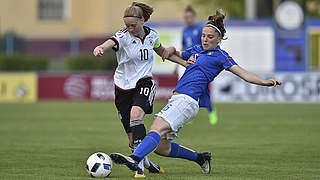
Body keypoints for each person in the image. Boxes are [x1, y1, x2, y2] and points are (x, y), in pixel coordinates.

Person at [109, 10, 282, 175]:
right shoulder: (197, 49)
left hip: (188, 101)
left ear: (219, 39)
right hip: (176, 100)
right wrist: (169, 50)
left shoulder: (221, 56)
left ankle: (135, 158)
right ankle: (201, 158)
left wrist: (264, 82)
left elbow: (243, 73)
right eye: (204, 36)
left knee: (156, 128)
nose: (206, 40)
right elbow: (173, 53)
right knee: (162, 148)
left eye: (210, 37)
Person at [93, 2, 187, 178]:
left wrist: (184, 64)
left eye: (133, 25)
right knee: (132, 138)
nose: (129, 29)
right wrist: (100, 48)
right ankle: (147, 162)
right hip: (122, 88)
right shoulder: (123, 35)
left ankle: (139, 169)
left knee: (136, 115)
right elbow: (110, 42)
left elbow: (164, 53)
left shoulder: (153, 36)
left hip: (144, 83)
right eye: (126, 25)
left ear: (142, 20)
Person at [176, 5, 218, 125]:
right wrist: (176, 65)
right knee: (185, 89)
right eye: (185, 17)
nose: (187, 19)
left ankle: (211, 110)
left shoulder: (200, 29)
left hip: (199, 63)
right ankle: (187, 114)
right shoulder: (184, 31)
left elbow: (206, 45)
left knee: (202, 90)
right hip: (187, 62)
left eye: (189, 17)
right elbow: (183, 46)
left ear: (193, 17)